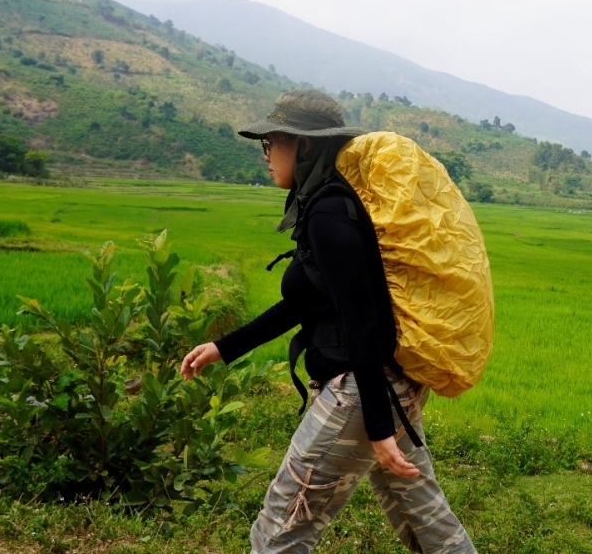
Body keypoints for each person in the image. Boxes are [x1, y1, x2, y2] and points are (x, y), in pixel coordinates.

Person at [180, 90, 475, 554]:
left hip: (361, 391)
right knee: (426, 524)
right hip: (388, 388)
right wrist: (226, 347)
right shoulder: (329, 204)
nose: (265, 155)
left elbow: (362, 321)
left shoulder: (329, 212)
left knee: (279, 532)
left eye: (271, 142)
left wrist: (377, 428)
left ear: (306, 146)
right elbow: (311, 301)